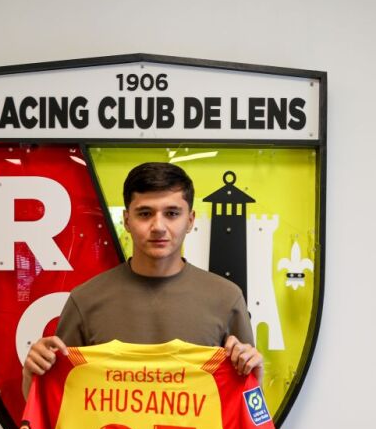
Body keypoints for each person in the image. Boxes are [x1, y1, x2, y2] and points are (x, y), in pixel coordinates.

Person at [22, 161, 263, 397]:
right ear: (127, 220)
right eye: (145, 213)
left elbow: (246, 405)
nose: (158, 226)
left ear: (190, 221)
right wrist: (32, 375)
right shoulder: (85, 300)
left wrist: (255, 377)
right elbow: (57, 402)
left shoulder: (226, 299)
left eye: (172, 213)